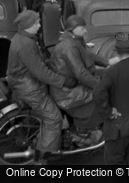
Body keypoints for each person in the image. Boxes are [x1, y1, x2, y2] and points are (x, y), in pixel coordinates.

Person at [6, 10, 76, 161]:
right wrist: (63, 80)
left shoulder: (19, 38)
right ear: (28, 25)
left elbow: (35, 64)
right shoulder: (26, 44)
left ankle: (43, 143)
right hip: (30, 89)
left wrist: (50, 63)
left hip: (21, 84)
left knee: (47, 115)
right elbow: (40, 72)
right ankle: (44, 160)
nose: (39, 25)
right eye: (36, 23)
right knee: (54, 119)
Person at [49, 15, 110, 146]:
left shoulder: (74, 41)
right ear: (73, 29)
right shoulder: (68, 47)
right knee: (101, 96)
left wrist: (109, 62)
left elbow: (88, 55)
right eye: (82, 28)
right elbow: (81, 73)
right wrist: (99, 86)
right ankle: (83, 133)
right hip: (67, 93)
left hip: (69, 87)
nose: (85, 30)